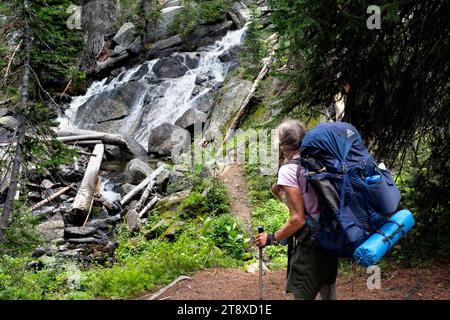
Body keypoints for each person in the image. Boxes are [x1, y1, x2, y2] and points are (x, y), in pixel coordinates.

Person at [255, 119, 338, 300]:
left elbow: (298, 219)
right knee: (328, 290)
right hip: (332, 235)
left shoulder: (288, 170)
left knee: (301, 295)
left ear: (284, 145)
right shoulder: (317, 160)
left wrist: (272, 238)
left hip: (313, 244)